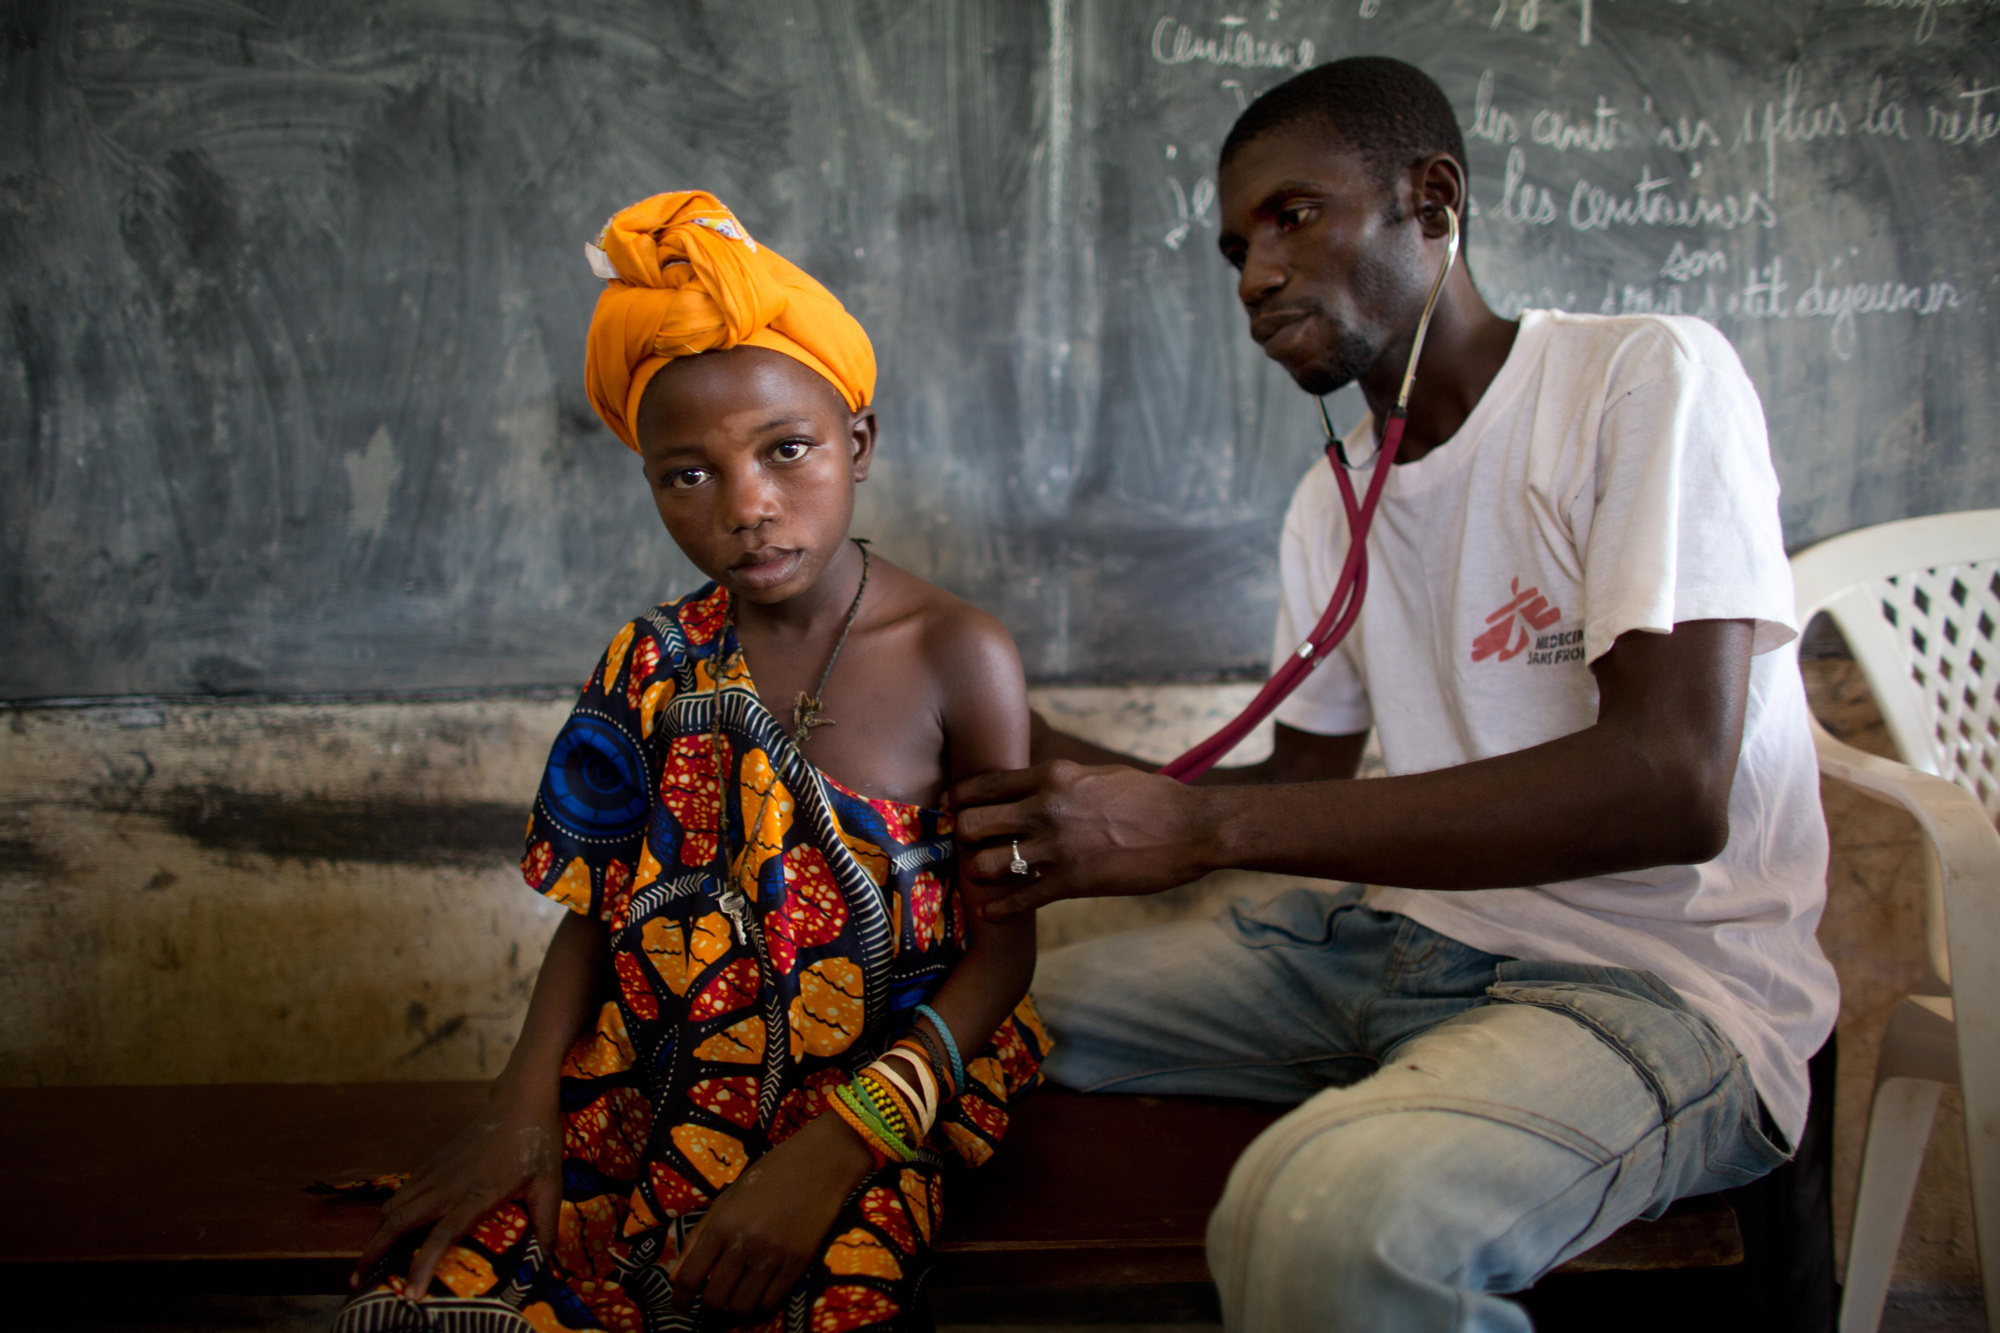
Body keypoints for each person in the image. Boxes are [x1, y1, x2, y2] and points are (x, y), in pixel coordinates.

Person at [951, 57, 1837, 1332]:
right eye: (1234, 249)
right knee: (950, 1023)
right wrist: (1036, 742)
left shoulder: (1640, 379)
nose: (1254, 276)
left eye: (1292, 217)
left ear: (1431, 200)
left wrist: (1201, 827)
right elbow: (1298, 785)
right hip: (1392, 946)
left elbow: (1671, 784)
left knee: (1323, 1222)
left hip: (1651, 981)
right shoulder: (1333, 501)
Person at [339, 191, 1047, 1333]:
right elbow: (596, 915)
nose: (748, 507)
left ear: (859, 444)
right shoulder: (652, 662)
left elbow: (1004, 955)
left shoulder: (959, 654)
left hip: (884, 1093)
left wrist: (834, 1151)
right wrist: (520, 1107)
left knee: (808, 1298)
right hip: (657, 1075)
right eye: (688, 475)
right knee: (443, 1287)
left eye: (787, 450)